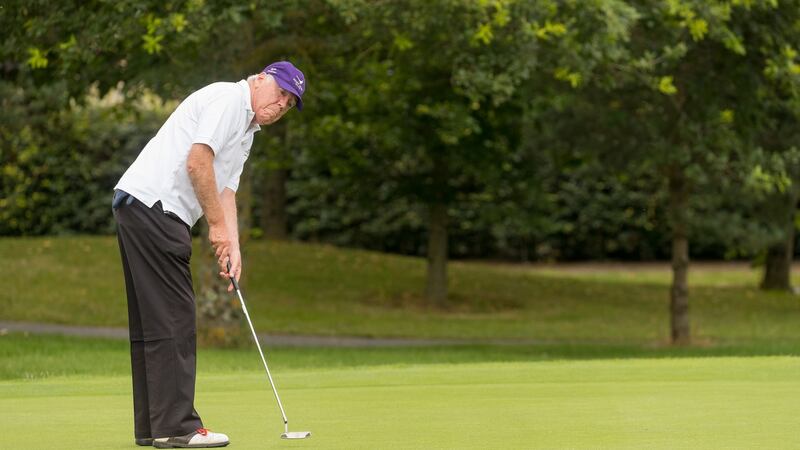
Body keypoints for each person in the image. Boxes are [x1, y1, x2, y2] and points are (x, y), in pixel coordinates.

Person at [112, 61, 306, 448]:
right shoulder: (229, 100)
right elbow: (198, 162)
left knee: (155, 323)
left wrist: (232, 245)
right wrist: (215, 228)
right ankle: (178, 427)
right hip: (157, 208)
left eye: (289, 102)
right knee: (175, 319)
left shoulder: (248, 131)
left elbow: (225, 190)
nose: (281, 104)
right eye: (280, 92)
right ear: (261, 79)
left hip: (141, 206)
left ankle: (154, 427)